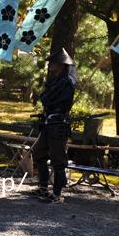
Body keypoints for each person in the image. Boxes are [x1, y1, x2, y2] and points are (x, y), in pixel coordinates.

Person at [32, 48, 77, 204]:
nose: (51, 64)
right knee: (39, 152)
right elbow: (45, 97)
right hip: (49, 123)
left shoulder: (66, 83)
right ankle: (43, 188)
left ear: (62, 65)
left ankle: (57, 193)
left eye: (54, 62)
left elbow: (50, 99)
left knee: (58, 159)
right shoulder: (55, 80)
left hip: (58, 124)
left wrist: (47, 98)